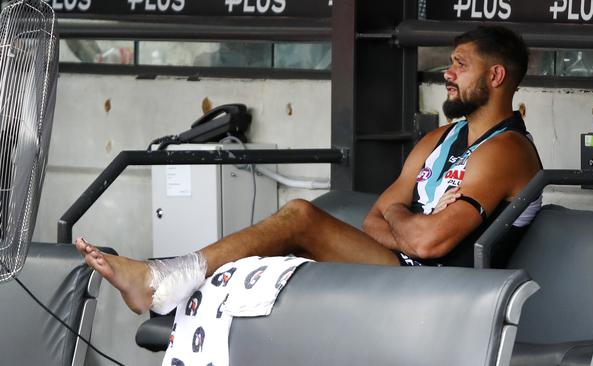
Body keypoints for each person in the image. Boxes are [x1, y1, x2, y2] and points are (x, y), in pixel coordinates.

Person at [76, 25, 542, 315]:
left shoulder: (509, 150)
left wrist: (403, 222)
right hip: (402, 268)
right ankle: (167, 285)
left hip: (446, 290)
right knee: (281, 254)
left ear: (496, 77)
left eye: (460, 65)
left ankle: (162, 279)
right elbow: (372, 221)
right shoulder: (436, 140)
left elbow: (427, 242)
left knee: (299, 216)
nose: (448, 73)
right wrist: (407, 224)